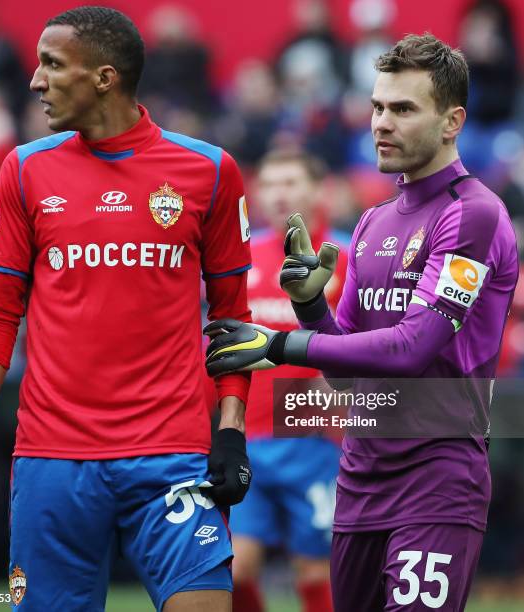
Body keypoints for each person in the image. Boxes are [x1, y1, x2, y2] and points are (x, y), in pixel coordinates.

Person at [0, 7, 254, 612]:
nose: (35, 80)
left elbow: (231, 318)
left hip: (173, 452)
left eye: (52, 64)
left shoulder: (209, 171)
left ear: (104, 77)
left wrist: (230, 432)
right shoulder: (25, 171)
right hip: (53, 461)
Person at [204, 33, 519, 611]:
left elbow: (414, 347)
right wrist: (310, 308)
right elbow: (345, 370)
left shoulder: (471, 214)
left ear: (453, 122)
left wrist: (279, 342)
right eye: (377, 107)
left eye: (403, 109)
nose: (382, 122)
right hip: (360, 477)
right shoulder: (373, 220)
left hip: (437, 474)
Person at [230, 149, 347, 612]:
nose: (279, 194)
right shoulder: (240, 258)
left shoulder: (345, 256)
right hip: (247, 438)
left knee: (314, 571)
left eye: (291, 182)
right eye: (271, 183)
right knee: (235, 568)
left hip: (317, 443)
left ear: (320, 191)